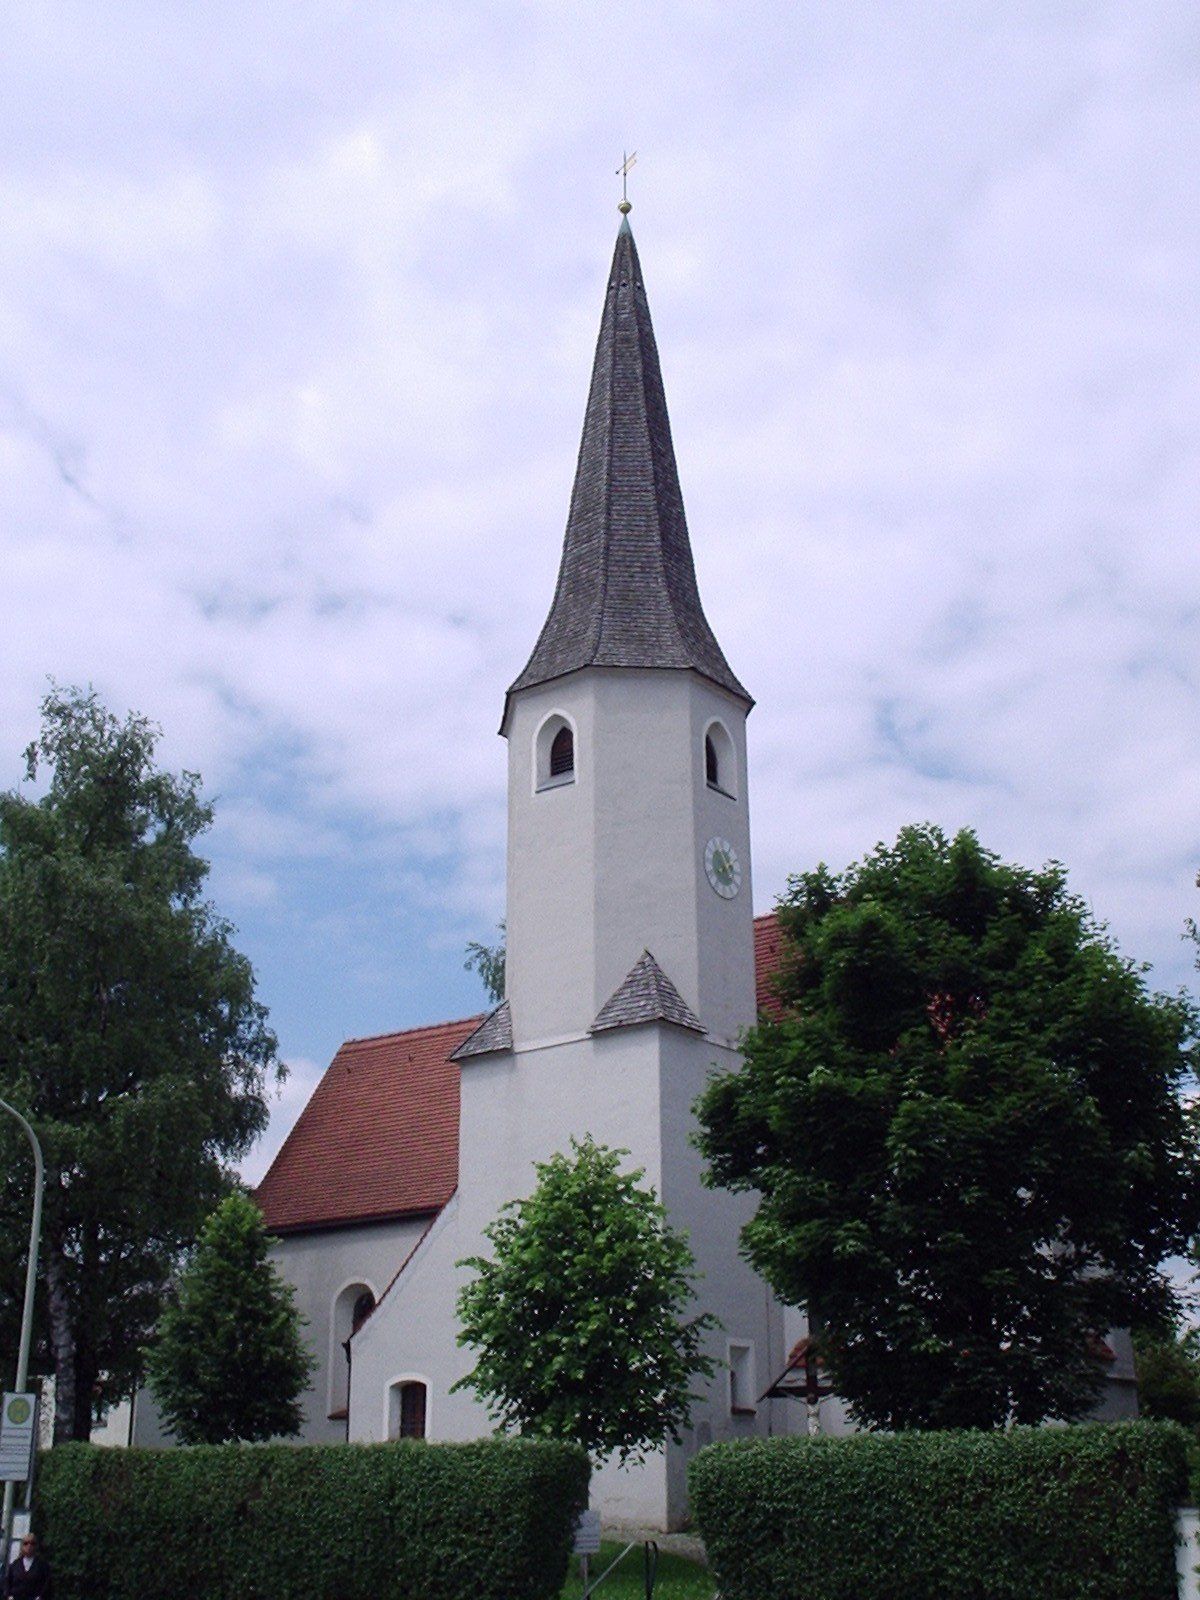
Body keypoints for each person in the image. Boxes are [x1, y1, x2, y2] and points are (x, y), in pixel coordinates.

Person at [4, 1534, 51, 1600]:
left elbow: (47, 1584)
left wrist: (40, 1597)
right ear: (22, 1546)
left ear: (36, 1546)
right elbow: (7, 1582)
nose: (29, 1546)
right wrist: (9, 1596)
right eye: (26, 1543)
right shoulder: (14, 1565)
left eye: (32, 1543)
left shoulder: (43, 1565)